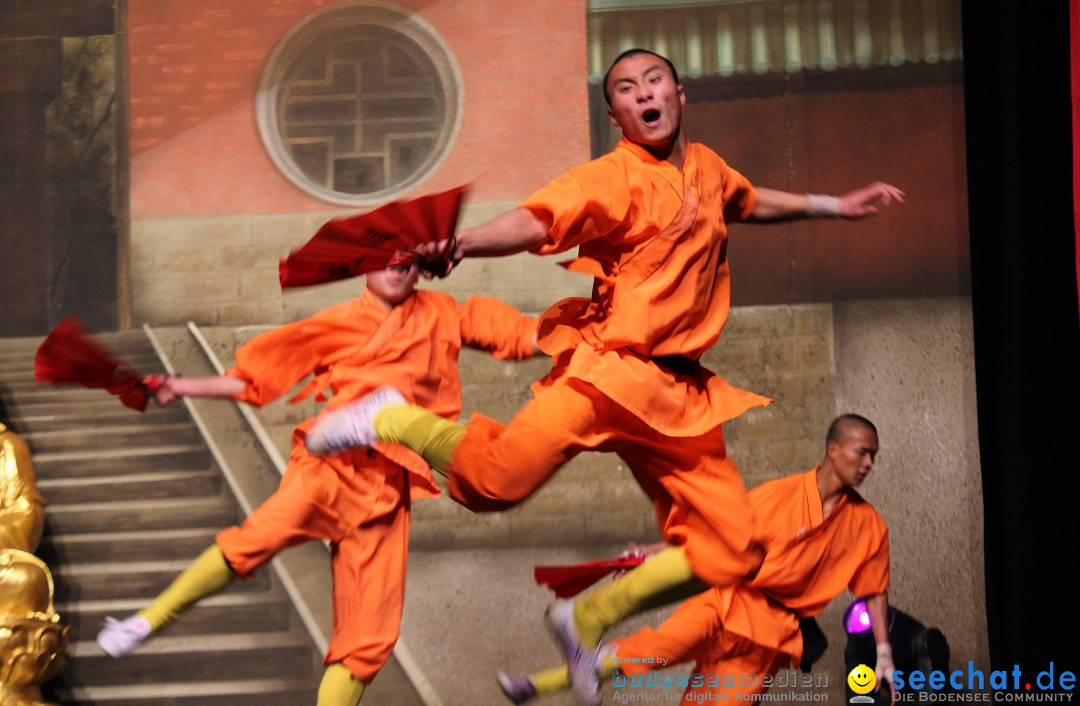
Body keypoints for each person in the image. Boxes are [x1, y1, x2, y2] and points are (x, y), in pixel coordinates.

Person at [304, 49, 904, 705]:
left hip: (679, 397)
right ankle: (390, 415)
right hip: (606, 374)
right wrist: (467, 241)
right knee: (494, 485)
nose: (643, 94)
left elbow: (751, 201)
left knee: (732, 555)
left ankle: (583, 620)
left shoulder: (708, 169)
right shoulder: (612, 176)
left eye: (653, 81)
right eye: (625, 88)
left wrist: (835, 206)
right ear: (614, 110)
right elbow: (538, 219)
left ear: (680, 92)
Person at [95, 260, 540, 706]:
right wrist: (180, 385)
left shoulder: (445, 313)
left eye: (408, 261)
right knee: (258, 537)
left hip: (386, 488)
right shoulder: (339, 322)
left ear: (421, 270)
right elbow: (254, 380)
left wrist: (589, 339)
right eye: (387, 259)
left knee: (368, 637)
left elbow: (522, 334)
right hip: (331, 463)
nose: (397, 267)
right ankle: (146, 623)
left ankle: (386, 420)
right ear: (365, 268)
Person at [497, 414, 894, 705]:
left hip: (770, 635)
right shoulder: (780, 495)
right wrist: (652, 554)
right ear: (834, 449)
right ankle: (537, 685)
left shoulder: (869, 526)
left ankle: (535, 685)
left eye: (874, 456)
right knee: (650, 651)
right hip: (723, 601)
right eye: (863, 453)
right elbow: (716, 540)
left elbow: (873, 589)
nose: (869, 464)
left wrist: (883, 651)